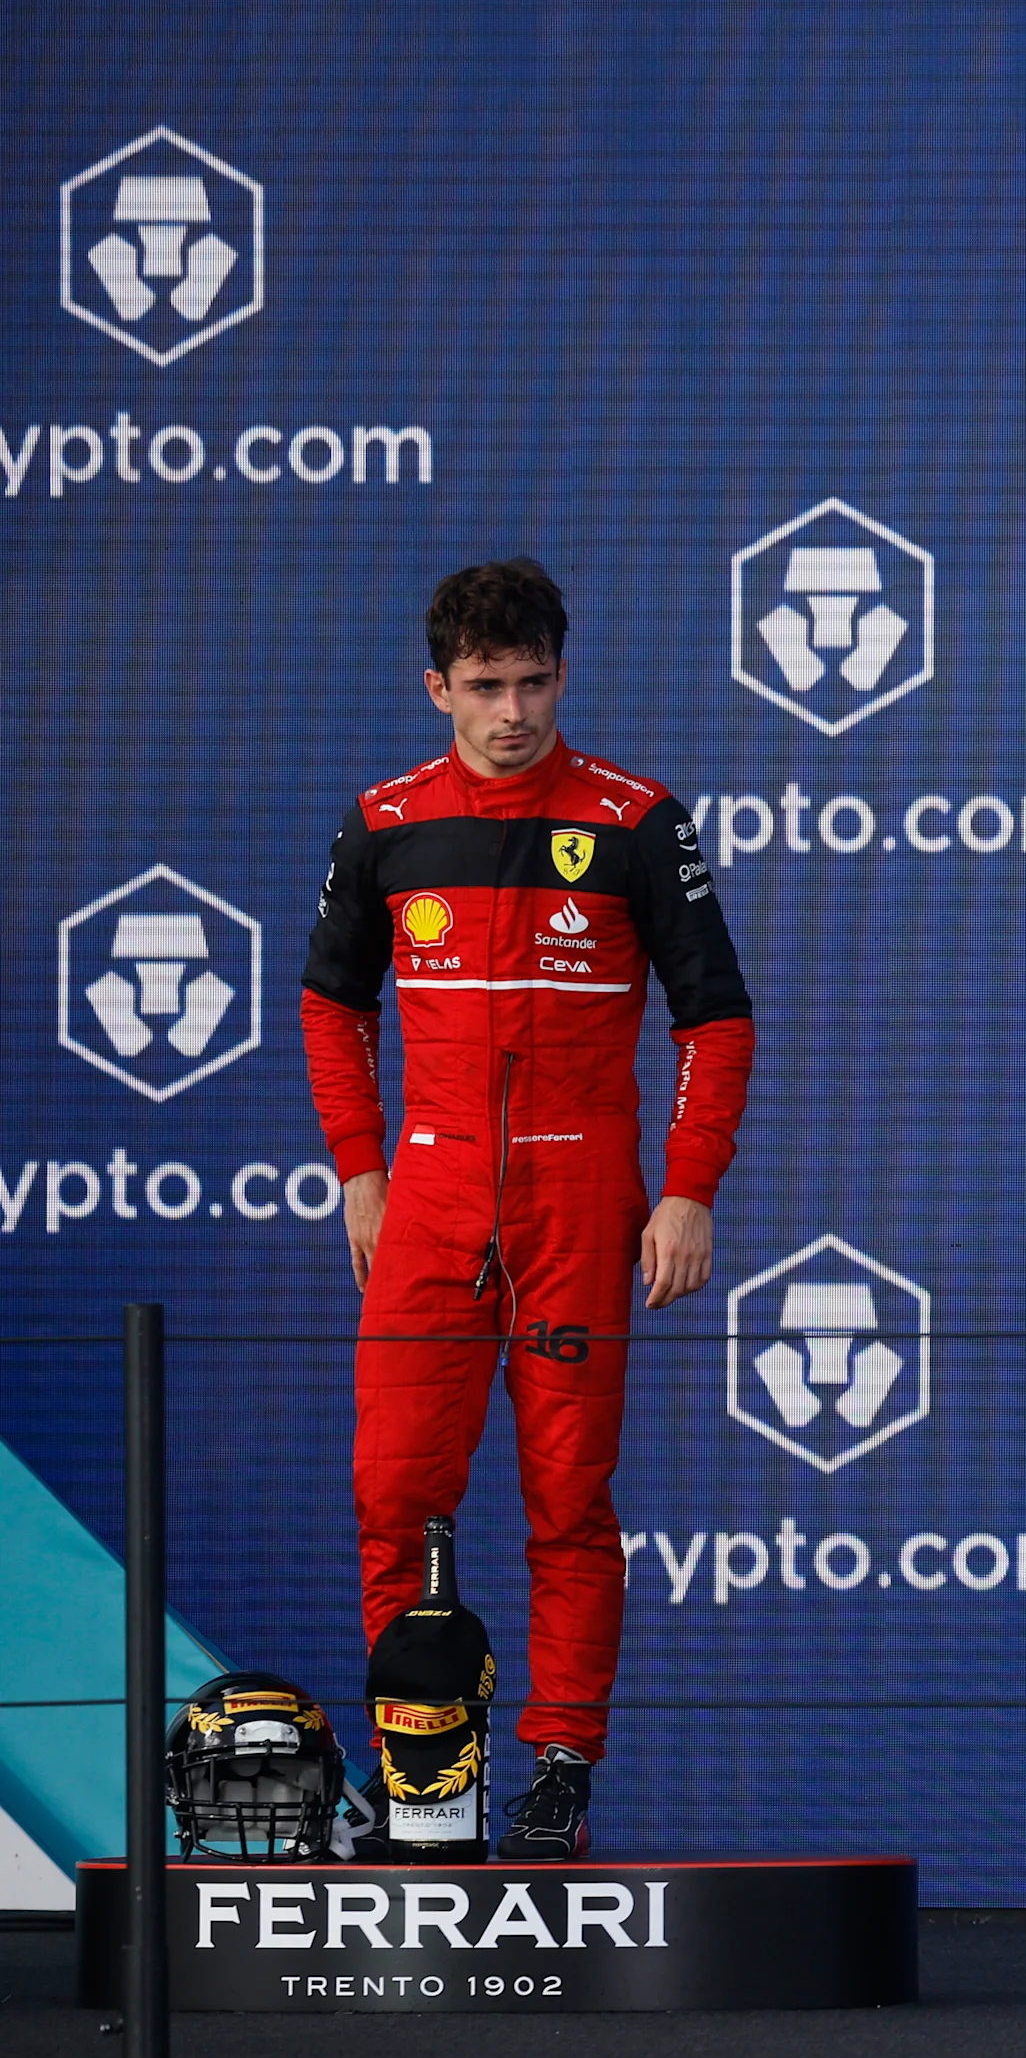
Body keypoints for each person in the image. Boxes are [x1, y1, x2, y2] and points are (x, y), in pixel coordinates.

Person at [301, 559, 754, 1858]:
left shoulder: (635, 817)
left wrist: (685, 1190)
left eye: (534, 682)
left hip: (578, 1197)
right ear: (436, 686)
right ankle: (421, 1780)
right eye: (486, 687)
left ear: (564, 673)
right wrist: (360, 1168)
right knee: (394, 1490)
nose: (512, 712)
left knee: (569, 1498)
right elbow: (331, 1004)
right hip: (433, 1198)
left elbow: (715, 1016)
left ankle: (560, 1767)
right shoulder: (386, 821)